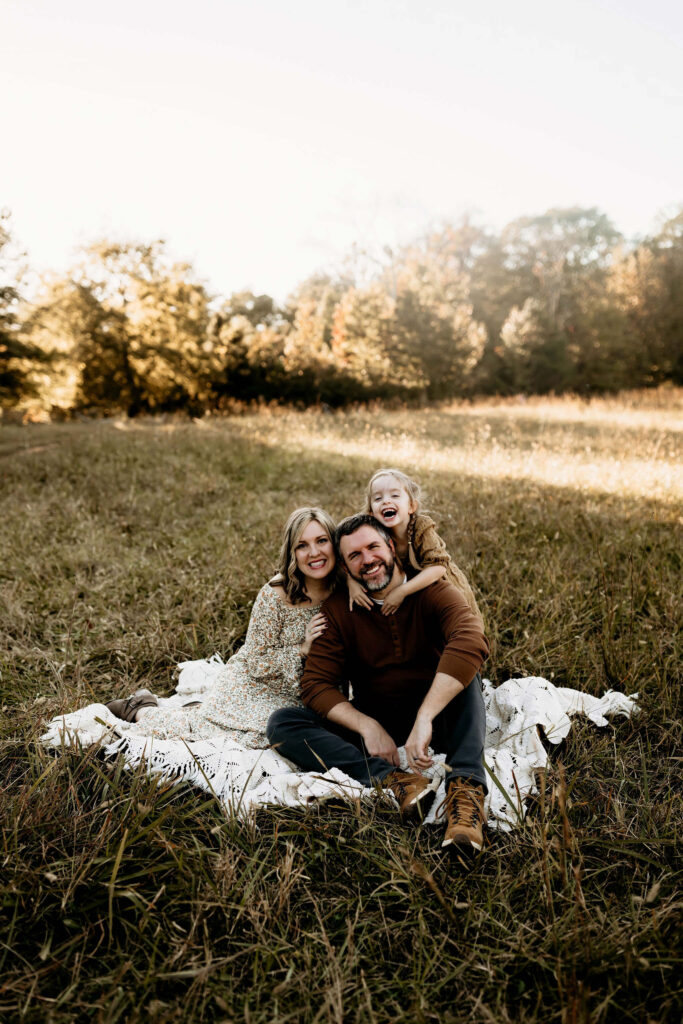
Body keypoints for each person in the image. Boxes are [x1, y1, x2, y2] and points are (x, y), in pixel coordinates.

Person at [267, 513, 490, 851]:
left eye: (373, 547)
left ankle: (465, 794)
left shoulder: (431, 591)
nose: (367, 560)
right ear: (344, 567)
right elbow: (315, 684)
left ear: (391, 546)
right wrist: (367, 726)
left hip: (439, 714)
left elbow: (471, 637)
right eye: (354, 555)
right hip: (381, 715)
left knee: (465, 674)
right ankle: (395, 780)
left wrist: (426, 717)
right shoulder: (340, 610)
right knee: (283, 723)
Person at [104, 507, 337, 748]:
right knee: (232, 741)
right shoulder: (276, 594)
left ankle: (198, 710)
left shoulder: (345, 587)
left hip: (311, 693)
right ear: (292, 552)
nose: (314, 553)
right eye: (302, 545)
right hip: (258, 685)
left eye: (322, 541)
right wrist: (302, 649)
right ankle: (141, 708)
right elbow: (257, 661)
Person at [345, 468, 483, 626]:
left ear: (411, 506)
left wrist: (402, 591)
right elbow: (347, 549)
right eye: (377, 498)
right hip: (412, 590)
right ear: (371, 513)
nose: (386, 501)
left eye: (395, 495)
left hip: (437, 583)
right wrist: (352, 583)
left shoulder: (420, 527)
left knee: (457, 623)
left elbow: (438, 567)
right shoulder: (376, 533)